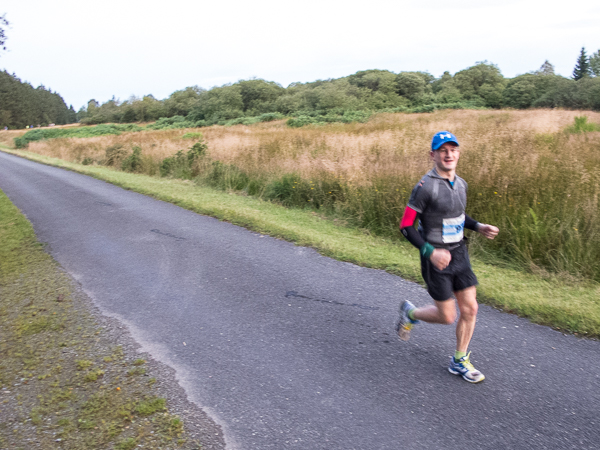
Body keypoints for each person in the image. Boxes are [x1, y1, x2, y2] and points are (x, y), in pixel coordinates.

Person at [396, 131, 499, 383]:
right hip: (436, 258)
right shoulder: (425, 187)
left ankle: (459, 360)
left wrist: (478, 226)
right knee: (447, 316)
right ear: (433, 155)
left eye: (453, 149)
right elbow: (406, 226)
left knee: (471, 308)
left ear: (459, 154)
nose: (449, 154)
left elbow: (458, 216)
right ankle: (411, 313)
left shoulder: (461, 184)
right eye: (443, 150)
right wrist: (430, 252)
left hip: (459, 253)